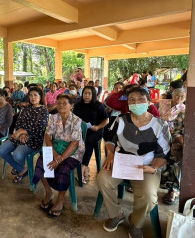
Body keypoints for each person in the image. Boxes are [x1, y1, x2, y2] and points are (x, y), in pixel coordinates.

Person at [98, 86, 170, 238]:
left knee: (149, 196)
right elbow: (110, 139)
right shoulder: (120, 120)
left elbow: (163, 153)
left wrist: (153, 167)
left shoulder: (160, 125)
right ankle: (117, 214)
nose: (136, 103)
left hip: (146, 165)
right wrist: (110, 154)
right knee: (103, 179)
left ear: (149, 102)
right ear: (128, 103)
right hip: (122, 162)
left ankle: (136, 222)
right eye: (132, 100)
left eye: (141, 99)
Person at [32, 94, 84, 219]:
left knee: (63, 170)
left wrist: (60, 159)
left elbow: (75, 142)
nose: (61, 105)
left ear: (71, 106)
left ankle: (60, 199)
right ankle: (49, 193)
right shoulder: (53, 118)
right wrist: (54, 154)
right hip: (55, 148)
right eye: (59, 103)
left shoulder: (76, 120)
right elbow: (48, 136)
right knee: (41, 164)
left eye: (65, 103)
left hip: (73, 151)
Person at [0, 87, 49, 182]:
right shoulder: (26, 109)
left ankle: (19, 169)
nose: (33, 97)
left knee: (17, 155)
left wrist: (22, 132)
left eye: (35, 95)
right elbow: (18, 123)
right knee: (1, 150)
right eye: (30, 95)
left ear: (40, 96)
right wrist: (20, 134)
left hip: (34, 139)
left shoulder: (44, 111)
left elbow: (39, 128)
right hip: (19, 137)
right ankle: (22, 170)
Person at [73, 86, 109, 183]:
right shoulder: (78, 105)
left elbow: (106, 120)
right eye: (85, 93)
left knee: (88, 141)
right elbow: (74, 118)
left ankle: (84, 167)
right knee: (72, 139)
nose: (87, 95)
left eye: (89, 93)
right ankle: (75, 165)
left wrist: (97, 127)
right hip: (81, 130)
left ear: (93, 95)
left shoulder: (98, 105)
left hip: (95, 130)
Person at [159, 88, 186, 205]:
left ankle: (174, 189)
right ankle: (172, 189)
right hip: (172, 136)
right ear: (172, 95)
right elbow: (164, 119)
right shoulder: (183, 110)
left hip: (178, 137)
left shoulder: (183, 108)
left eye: (182, 97)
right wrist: (184, 144)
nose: (179, 98)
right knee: (174, 157)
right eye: (177, 96)